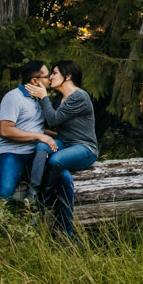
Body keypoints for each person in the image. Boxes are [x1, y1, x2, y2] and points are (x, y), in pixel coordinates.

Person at [33, 61, 97, 236]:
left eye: (54, 73)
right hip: (65, 145)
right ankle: (64, 231)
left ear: (67, 76)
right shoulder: (56, 100)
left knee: (56, 160)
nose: (50, 77)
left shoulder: (79, 97)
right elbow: (48, 124)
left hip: (84, 148)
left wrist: (43, 96)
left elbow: (53, 120)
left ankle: (42, 201)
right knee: (45, 150)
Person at [0, 60, 57, 201]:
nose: (50, 79)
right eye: (47, 77)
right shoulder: (14, 97)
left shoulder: (39, 99)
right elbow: (5, 130)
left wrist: (56, 135)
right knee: (5, 193)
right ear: (35, 81)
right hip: (12, 153)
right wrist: (40, 137)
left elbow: (35, 128)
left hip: (35, 154)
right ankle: (2, 221)